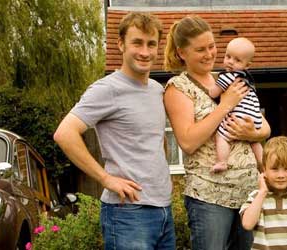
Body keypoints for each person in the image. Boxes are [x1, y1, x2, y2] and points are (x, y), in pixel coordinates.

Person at [53, 12, 175, 250]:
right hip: (127, 214)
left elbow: (156, 141)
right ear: (121, 45)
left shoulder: (156, 90)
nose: (145, 51)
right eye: (137, 43)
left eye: (151, 44)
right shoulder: (107, 89)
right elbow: (64, 133)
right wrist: (106, 179)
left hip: (163, 209)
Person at [163, 16, 271, 250]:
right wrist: (225, 105)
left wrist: (251, 134)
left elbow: (265, 127)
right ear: (182, 53)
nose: (210, 54)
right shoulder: (178, 88)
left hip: (248, 194)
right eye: (200, 49)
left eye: (212, 46)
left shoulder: (229, 79)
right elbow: (188, 142)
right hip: (210, 198)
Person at [240, 136, 287, 250]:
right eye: (274, 169)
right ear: (264, 169)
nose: (281, 175)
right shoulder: (256, 197)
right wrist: (262, 192)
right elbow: (247, 224)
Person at [210, 37, 263, 173]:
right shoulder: (247, 79)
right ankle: (263, 165)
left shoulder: (229, 76)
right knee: (254, 142)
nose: (230, 62)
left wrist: (212, 88)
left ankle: (222, 161)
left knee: (221, 136)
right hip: (255, 119)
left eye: (237, 60)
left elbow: (213, 93)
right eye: (228, 56)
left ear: (247, 65)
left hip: (239, 116)